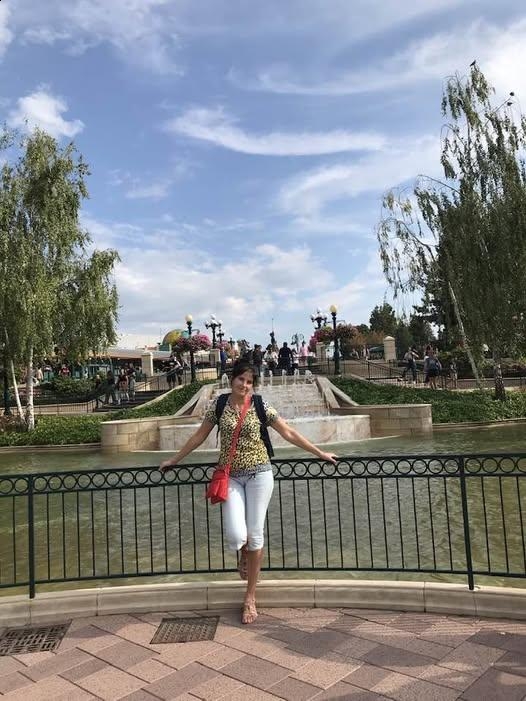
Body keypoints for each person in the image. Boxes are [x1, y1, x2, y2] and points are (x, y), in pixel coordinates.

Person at [160, 360, 337, 625]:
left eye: (250, 381)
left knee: (255, 535)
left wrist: (320, 453)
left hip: (260, 475)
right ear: (232, 379)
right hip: (230, 476)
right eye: (241, 379)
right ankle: (244, 552)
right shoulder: (219, 405)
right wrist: (174, 460)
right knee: (236, 535)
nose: (244, 385)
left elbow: (288, 432)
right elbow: (199, 436)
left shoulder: (261, 406)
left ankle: (250, 597)